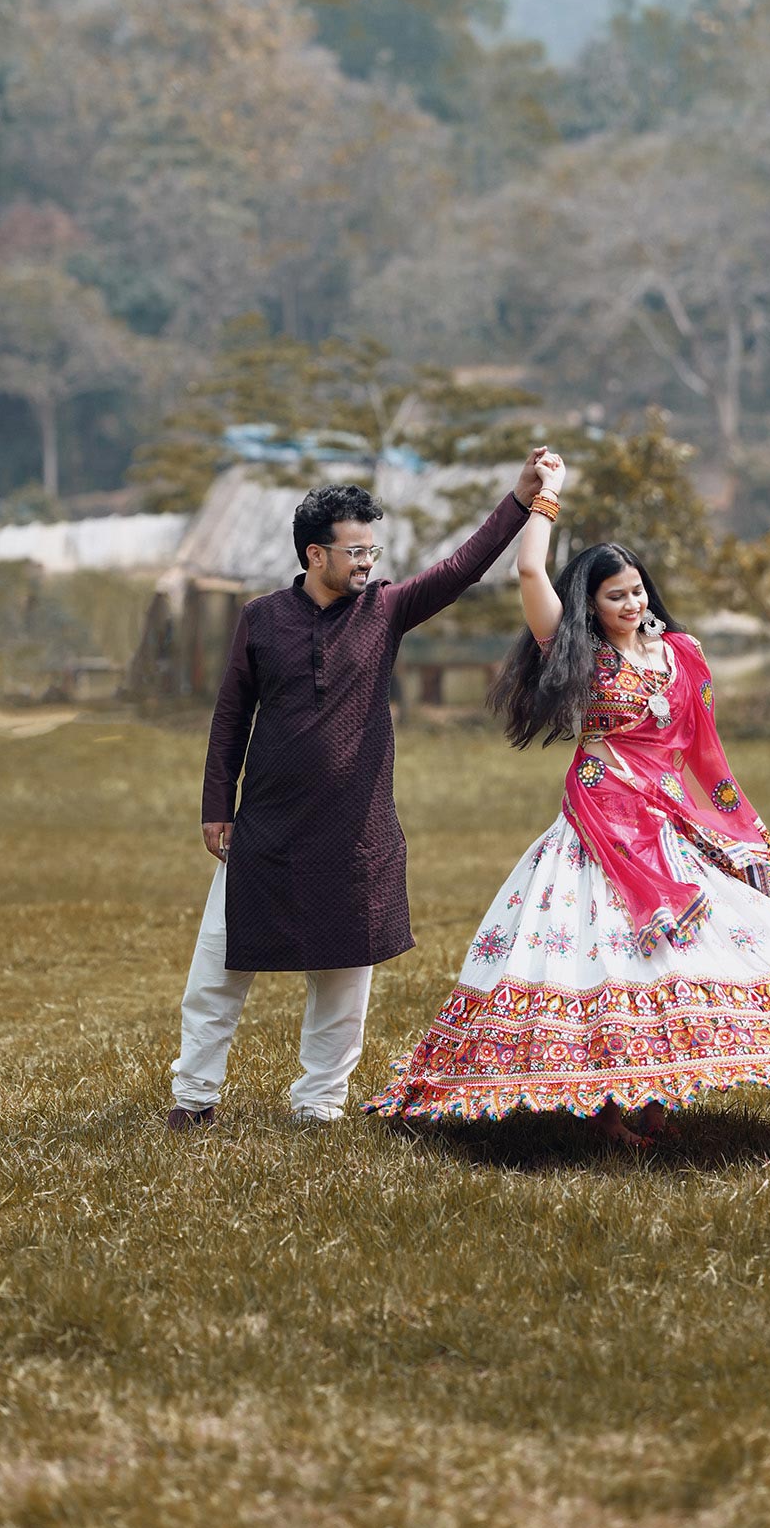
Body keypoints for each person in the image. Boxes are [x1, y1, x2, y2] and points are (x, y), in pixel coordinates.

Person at [366, 453, 770, 1145]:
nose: (633, 605)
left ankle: (657, 1103)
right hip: (596, 830)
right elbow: (530, 571)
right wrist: (546, 496)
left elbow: (703, 751)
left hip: (665, 823)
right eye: (616, 596)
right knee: (604, 954)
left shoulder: (680, 653)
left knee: (684, 952)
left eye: (638, 592)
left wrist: (732, 823)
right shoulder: (579, 654)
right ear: (590, 606)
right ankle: (608, 1112)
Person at [167, 450, 555, 1131]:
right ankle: (194, 1097)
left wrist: (521, 499)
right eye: (356, 551)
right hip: (266, 829)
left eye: (373, 549)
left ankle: (319, 1104)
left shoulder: (386, 609)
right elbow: (231, 716)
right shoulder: (261, 619)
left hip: (356, 831)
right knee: (217, 969)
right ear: (315, 554)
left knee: (344, 978)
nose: (368, 562)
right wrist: (216, 806)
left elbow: (462, 567)